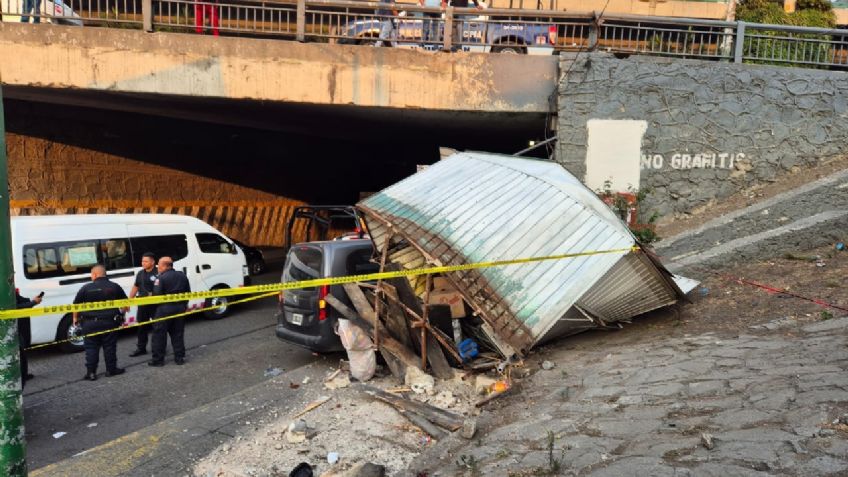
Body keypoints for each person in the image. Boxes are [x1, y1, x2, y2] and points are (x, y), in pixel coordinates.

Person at [73, 265, 127, 381]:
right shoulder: (114, 286)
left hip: (89, 323)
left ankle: (91, 373)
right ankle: (111, 370)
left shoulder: (86, 288)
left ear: (95, 275)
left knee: (91, 348)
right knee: (109, 347)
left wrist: (75, 319)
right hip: (109, 322)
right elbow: (125, 304)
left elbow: (76, 305)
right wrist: (122, 314)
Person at [149, 257, 191, 367]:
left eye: (159, 265)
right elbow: (188, 292)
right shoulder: (182, 275)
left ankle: (158, 360)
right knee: (177, 334)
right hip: (180, 308)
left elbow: (157, 296)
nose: (158, 268)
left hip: (164, 309)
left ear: (165, 266)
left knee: (159, 335)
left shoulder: (161, 278)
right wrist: (183, 305)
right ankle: (179, 358)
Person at [128, 252, 158, 357]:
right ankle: (141, 348)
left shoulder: (159, 272)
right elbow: (135, 287)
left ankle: (157, 348)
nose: (143, 263)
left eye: (146, 261)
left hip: (156, 305)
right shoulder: (140, 273)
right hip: (142, 305)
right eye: (142, 261)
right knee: (141, 327)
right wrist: (129, 301)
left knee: (157, 327)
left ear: (153, 262)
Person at [16, 290, 43, 387]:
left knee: (22, 352)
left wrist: (32, 302)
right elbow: (15, 308)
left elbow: (20, 302)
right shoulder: (5, 290)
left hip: (18, 327)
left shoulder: (9, 289)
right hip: (12, 329)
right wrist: (33, 302)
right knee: (20, 353)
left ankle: (23, 374)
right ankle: (21, 376)